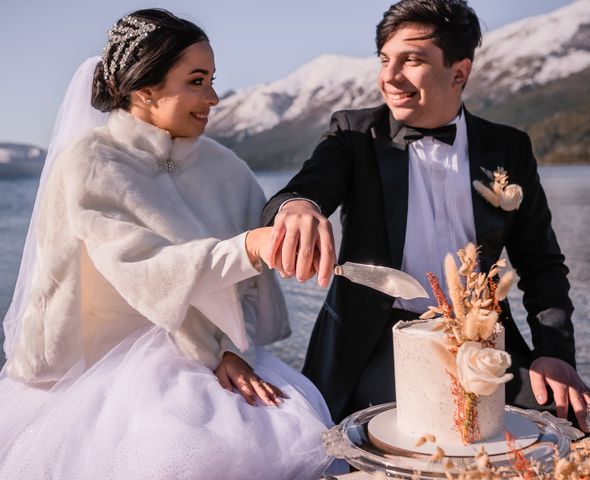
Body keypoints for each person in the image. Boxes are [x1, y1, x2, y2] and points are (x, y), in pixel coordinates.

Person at [0, 9, 344, 479]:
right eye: (197, 82)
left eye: (212, 80)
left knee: (297, 430)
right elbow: (142, 268)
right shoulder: (90, 161)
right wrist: (250, 246)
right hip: (110, 368)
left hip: (220, 351)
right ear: (145, 88)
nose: (215, 97)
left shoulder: (230, 171)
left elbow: (245, 287)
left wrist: (232, 351)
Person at [262, 0, 590, 430]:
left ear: (459, 72)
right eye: (385, 60)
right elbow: (304, 188)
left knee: (575, 426)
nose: (390, 77)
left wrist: (553, 352)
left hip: (484, 336)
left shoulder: (508, 147)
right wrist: (297, 207)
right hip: (377, 340)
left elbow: (541, 264)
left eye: (412, 60)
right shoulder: (352, 135)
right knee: (423, 432)